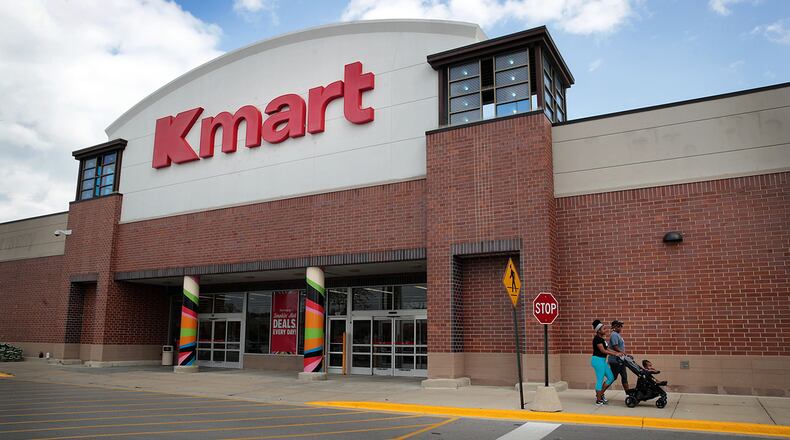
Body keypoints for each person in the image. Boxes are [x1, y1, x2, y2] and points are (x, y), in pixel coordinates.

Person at [591, 319, 624, 405]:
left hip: (602, 361)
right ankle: (598, 400)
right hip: (597, 360)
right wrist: (615, 354)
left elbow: (607, 349)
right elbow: (603, 351)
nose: (606, 330)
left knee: (611, 377)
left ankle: (600, 394)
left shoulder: (602, 339)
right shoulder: (597, 339)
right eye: (603, 329)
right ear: (598, 331)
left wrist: (617, 353)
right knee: (600, 380)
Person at [608, 320, 631, 393]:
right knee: (612, 378)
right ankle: (600, 392)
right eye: (619, 326)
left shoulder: (617, 335)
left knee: (624, 377)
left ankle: (628, 394)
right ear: (614, 327)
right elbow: (615, 347)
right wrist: (624, 353)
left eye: (621, 326)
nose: (621, 328)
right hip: (615, 360)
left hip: (621, 360)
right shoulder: (614, 334)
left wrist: (624, 355)